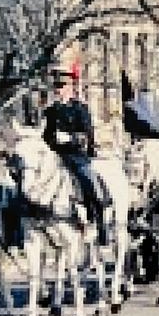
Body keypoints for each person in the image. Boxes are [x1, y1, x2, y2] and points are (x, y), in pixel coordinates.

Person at [42, 64, 107, 244]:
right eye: (56, 86)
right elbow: (45, 135)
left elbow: (87, 135)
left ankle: (97, 222)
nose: (58, 90)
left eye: (62, 86)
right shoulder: (50, 111)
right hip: (56, 157)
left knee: (89, 182)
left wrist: (69, 138)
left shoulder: (80, 109)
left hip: (76, 156)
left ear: (70, 86)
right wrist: (50, 141)